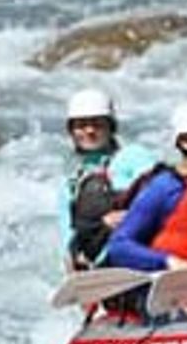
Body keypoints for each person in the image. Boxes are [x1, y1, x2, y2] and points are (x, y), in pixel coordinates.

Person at [105, 99, 187, 271]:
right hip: (165, 282)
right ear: (184, 142)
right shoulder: (165, 187)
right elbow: (119, 246)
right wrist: (167, 261)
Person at [61, 88, 158, 271]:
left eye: (97, 124)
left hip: (139, 246)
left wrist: (131, 216)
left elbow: (162, 197)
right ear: (72, 131)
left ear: (110, 127)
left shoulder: (135, 156)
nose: (89, 131)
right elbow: (69, 232)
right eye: (81, 125)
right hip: (98, 261)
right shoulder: (71, 179)